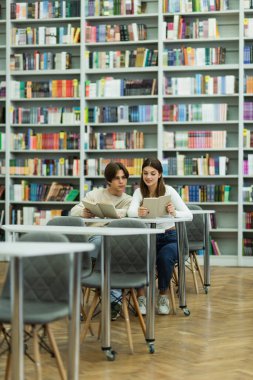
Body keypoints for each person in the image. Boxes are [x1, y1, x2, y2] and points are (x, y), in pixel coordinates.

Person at [127, 157, 192, 315]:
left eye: (153, 173)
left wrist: (174, 212)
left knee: (165, 256)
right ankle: (141, 297)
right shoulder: (138, 192)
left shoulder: (169, 191)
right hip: (147, 237)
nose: (148, 177)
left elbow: (189, 215)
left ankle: (163, 295)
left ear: (160, 174)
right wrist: (138, 212)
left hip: (169, 236)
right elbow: (130, 212)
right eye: (145, 173)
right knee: (136, 254)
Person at [70, 161, 132, 320]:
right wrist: (83, 213)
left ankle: (110, 294)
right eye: (117, 178)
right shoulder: (94, 194)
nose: (121, 182)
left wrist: (117, 213)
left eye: (124, 178)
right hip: (93, 237)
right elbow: (74, 210)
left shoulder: (128, 199)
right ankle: (113, 298)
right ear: (109, 181)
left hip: (114, 241)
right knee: (99, 245)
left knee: (109, 248)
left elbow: (129, 213)